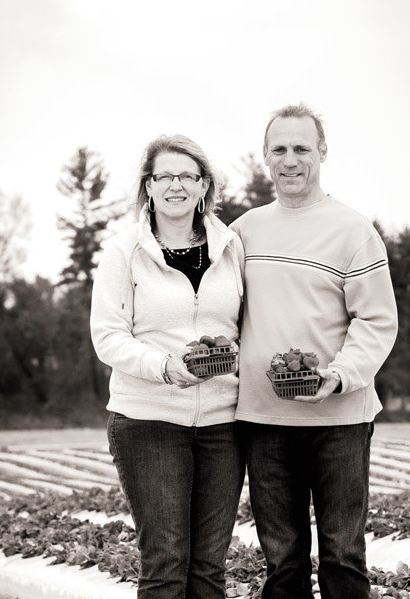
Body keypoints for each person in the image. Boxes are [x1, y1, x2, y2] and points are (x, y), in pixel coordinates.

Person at [231, 103, 398, 598]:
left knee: (343, 554)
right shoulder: (244, 232)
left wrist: (340, 374)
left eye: (302, 148)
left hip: (339, 419)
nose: (290, 160)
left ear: (322, 152)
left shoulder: (353, 231)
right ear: (265, 157)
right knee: (281, 561)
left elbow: (377, 320)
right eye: (278, 149)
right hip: (264, 420)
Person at [90, 134, 246, 599]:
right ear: (149, 186)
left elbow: (245, 325)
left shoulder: (231, 245)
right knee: (165, 562)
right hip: (149, 420)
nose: (176, 185)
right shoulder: (124, 252)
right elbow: (108, 336)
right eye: (165, 176)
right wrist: (164, 365)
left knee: (209, 567)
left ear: (204, 187)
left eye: (188, 176)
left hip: (223, 423)